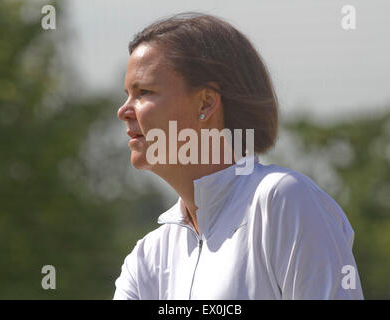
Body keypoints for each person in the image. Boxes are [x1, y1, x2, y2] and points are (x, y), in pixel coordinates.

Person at [114, 12, 364, 300]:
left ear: (206, 103)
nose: (124, 110)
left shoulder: (283, 201)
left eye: (143, 92)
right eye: (127, 94)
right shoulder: (147, 257)